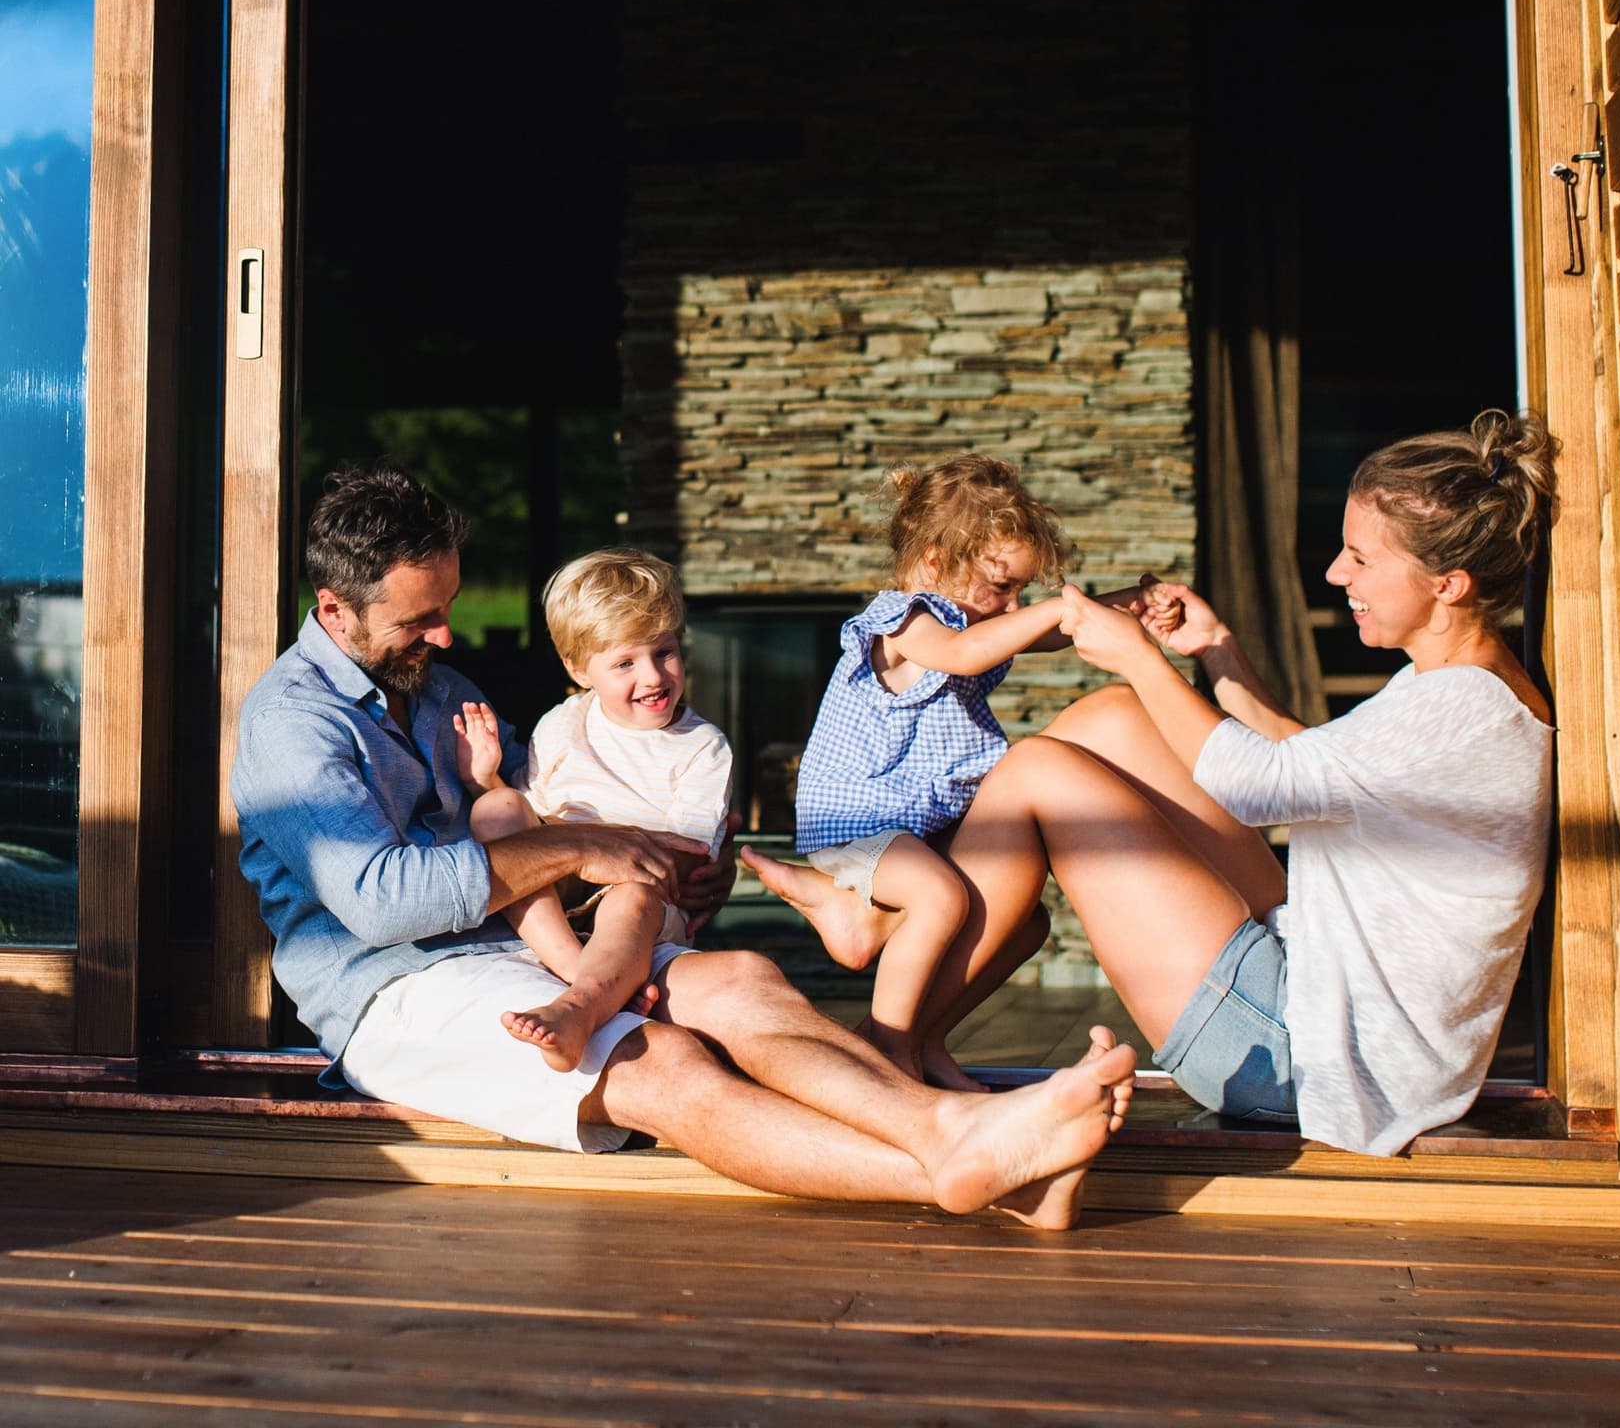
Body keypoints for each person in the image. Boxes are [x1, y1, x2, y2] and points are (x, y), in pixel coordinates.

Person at [231, 463, 1135, 1228]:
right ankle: (963, 1166)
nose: (447, 635)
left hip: (523, 946)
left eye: (449, 607)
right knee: (661, 1061)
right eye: (419, 620)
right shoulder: (290, 724)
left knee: (744, 980)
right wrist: (592, 846)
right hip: (398, 987)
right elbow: (387, 902)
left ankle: (973, 1139)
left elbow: (545, 795)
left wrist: (670, 872)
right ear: (335, 610)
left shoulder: (430, 682)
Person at [903, 410, 1559, 1155]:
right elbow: (1308, 768)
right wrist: (1213, 651)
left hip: (1306, 1058)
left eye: (1360, 558)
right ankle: (920, 974)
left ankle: (898, 1004)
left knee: (1037, 771)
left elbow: (1262, 786)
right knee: (1111, 720)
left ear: (1449, 584)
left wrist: (1141, 658)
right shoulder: (1459, 685)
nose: (1336, 574)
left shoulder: (1456, 709)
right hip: (1313, 984)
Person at [741, 455, 1143, 1088]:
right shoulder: (902, 621)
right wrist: (1055, 609)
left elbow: (1050, 635)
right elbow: (961, 654)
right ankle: (891, 1051)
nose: (1013, 604)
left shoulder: (975, 619)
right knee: (941, 897)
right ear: (935, 562)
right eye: (1003, 585)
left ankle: (926, 1041)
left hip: (916, 825)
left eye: (1022, 591)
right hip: (860, 820)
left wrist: (1131, 605)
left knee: (1024, 921)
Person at [453, 548, 734, 1074]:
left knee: (631, 896)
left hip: (640, 897)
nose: (653, 676)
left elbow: (682, 858)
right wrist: (484, 777)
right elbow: (529, 820)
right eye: (625, 662)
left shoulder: (703, 746)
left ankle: (578, 1009)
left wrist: (585, 845)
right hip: (559, 889)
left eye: (664, 652)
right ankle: (576, 968)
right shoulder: (562, 724)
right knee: (496, 808)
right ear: (579, 669)